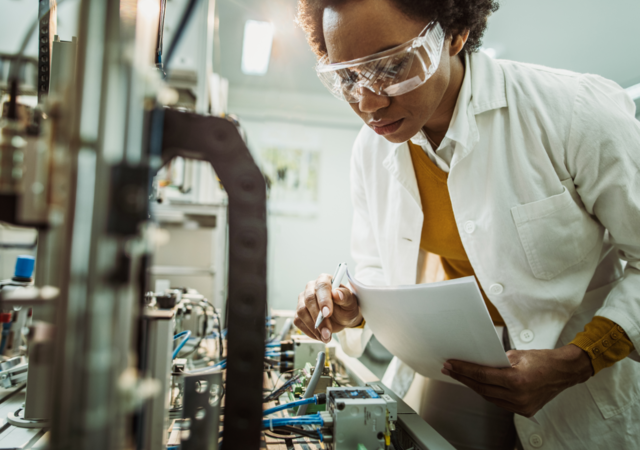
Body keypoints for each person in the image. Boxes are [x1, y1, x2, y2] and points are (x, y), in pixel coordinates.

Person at [292, 0, 640, 448]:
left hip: (580, 376)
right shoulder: (372, 149)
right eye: (348, 76)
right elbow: (375, 268)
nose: (369, 102)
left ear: (455, 34)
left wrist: (578, 360)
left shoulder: (573, 112)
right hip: (455, 364)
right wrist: (348, 304)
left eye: (393, 66)